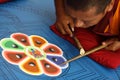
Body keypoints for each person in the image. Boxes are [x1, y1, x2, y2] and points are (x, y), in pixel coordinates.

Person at [51, 0, 120, 69]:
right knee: (64, 27)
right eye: (73, 17)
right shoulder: (80, 22)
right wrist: (61, 13)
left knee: (113, 60)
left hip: (112, 33)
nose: (77, 24)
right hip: (93, 29)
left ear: (109, 5)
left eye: (85, 21)